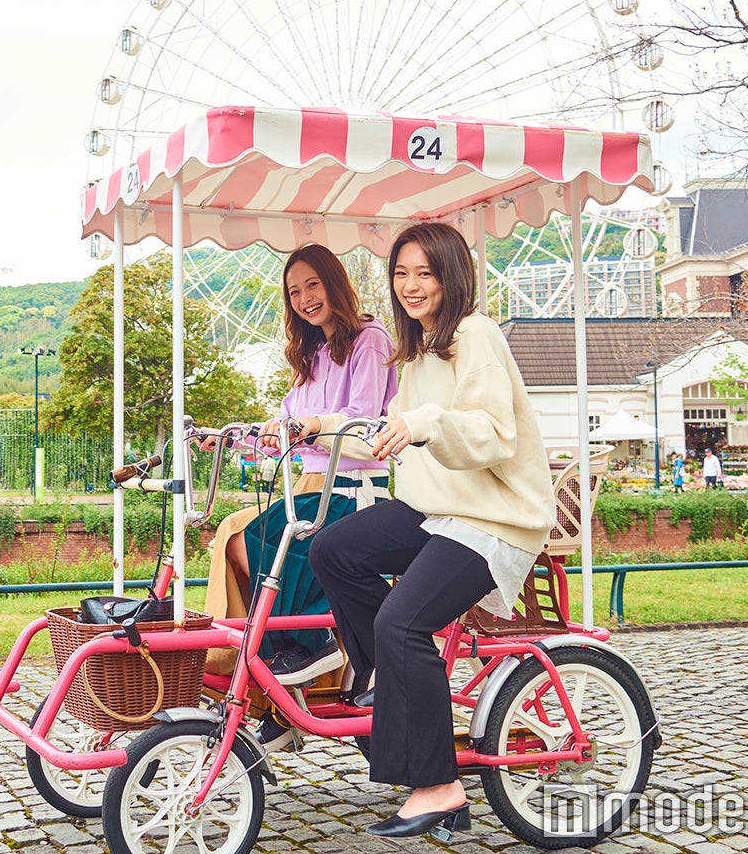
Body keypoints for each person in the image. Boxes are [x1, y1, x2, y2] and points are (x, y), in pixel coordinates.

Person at [307, 221, 553, 840]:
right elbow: (387, 429)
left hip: (491, 517)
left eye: (426, 272)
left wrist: (425, 422)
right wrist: (320, 424)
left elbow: (491, 433)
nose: (411, 286)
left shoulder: (475, 335)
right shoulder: (413, 348)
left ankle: (440, 785)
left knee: (401, 622)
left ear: (451, 276)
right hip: (433, 508)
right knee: (333, 549)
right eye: (401, 273)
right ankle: (381, 682)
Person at [202, 243, 397, 691]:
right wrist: (232, 438)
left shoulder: (369, 341)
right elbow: (285, 434)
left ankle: (307, 645)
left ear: (335, 284)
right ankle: (277, 666)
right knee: (236, 536)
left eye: (314, 285)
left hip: (351, 485)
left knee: (250, 538)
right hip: (309, 483)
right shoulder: (309, 356)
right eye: (294, 292)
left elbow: (363, 420)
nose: (306, 298)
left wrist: (307, 428)